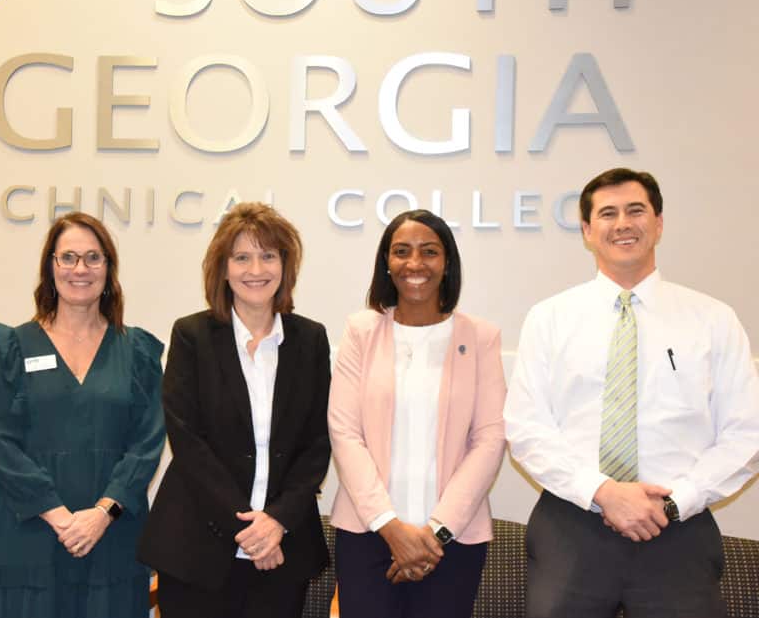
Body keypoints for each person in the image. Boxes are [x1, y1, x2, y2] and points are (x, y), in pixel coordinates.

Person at [505, 168, 759, 618]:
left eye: (635, 210)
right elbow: (526, 427)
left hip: (678, 528)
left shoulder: (713, 319)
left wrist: (678, 500)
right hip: (572, 524)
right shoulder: (549, 318)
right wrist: (603, 491)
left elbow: (747, 432)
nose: (622, 223)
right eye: (607, 213)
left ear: (658, 223)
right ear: (587, 230)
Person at [0, 211, 165, 618]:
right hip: (27, 533)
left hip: (110, 536)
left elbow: (147, 442)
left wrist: (100, 515)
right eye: (68, 257)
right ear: (50, 266)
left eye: (93, 258)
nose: (80, 269)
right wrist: (60, 518)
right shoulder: (11, 346)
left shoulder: (138, 350)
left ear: (109, 269)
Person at [138, 202, 331, 618]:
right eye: (241, 257)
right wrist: (249, 530)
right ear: (223, 269)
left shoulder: (310, 339)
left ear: (285, 265)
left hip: (283, 547)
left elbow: (318, 443)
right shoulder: (192, 335)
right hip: (198, 546)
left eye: (268, 255)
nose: (255, 269)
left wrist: (276, 522)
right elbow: (188, 440)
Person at [327, 209, 507, 618]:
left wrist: (437, 532)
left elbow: (490, 439)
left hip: (452, 541)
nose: (415, 264)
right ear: (386, 264)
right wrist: (389, 526)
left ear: (447, 264)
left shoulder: (481, 337)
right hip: (367, 534)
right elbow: (344, 432)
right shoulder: (361, 331)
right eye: (401, 252)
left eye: (429, 252)